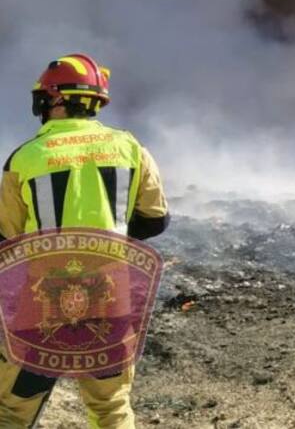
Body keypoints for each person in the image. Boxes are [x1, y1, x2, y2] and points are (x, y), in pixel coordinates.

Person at [0, 55, 169, 428]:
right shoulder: (130, 149)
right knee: (111, 409)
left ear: (57, 99)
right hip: (111, 300)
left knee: (12, 410)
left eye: (43, 97)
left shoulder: (25, 158)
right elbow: (156, 220)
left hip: (41, 307)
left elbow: (7, 239)